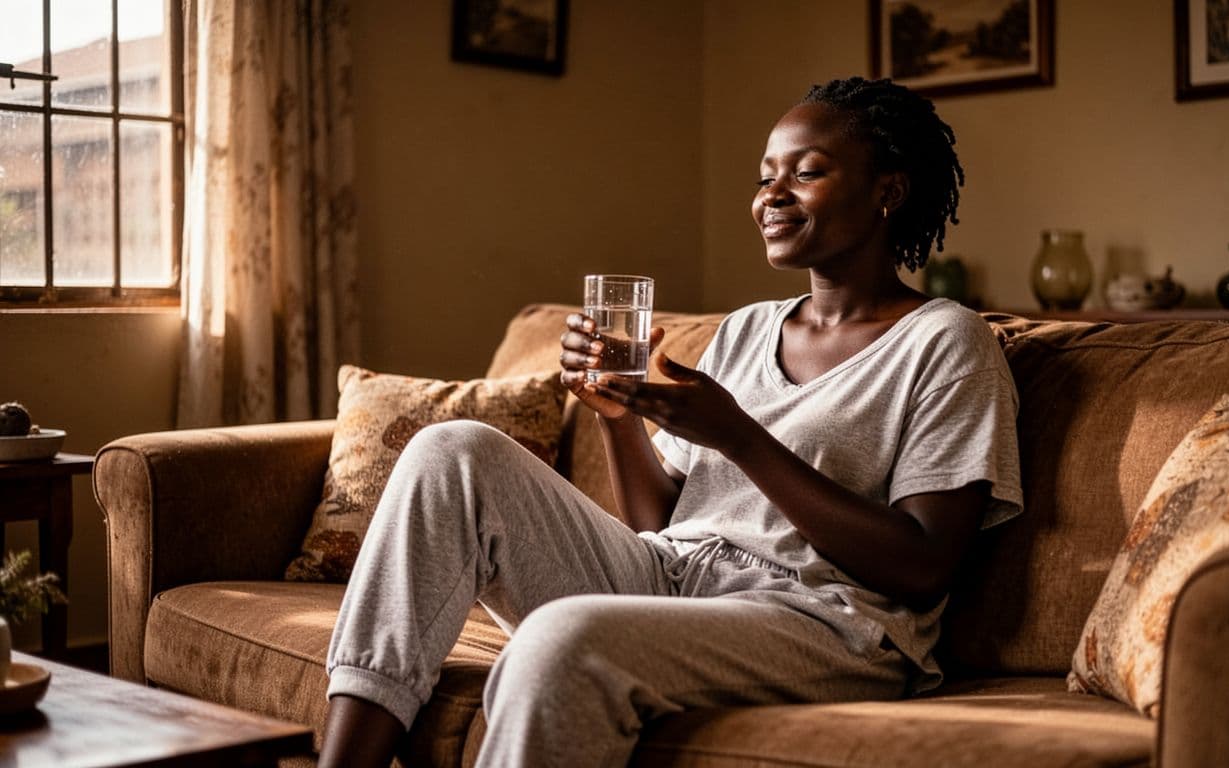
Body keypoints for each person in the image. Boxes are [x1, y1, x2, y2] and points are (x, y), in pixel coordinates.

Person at [317, 76, 1022, 768]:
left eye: (806, 173)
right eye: (764, 176)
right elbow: (658, 524)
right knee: (453, 449)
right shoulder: (747, 331)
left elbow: (924, 566)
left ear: (888, 193)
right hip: (673, 577)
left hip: (825, 622)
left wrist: (742, 439)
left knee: (564, 638)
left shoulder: (947, 341)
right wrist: (617, 420)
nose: (771, 195)